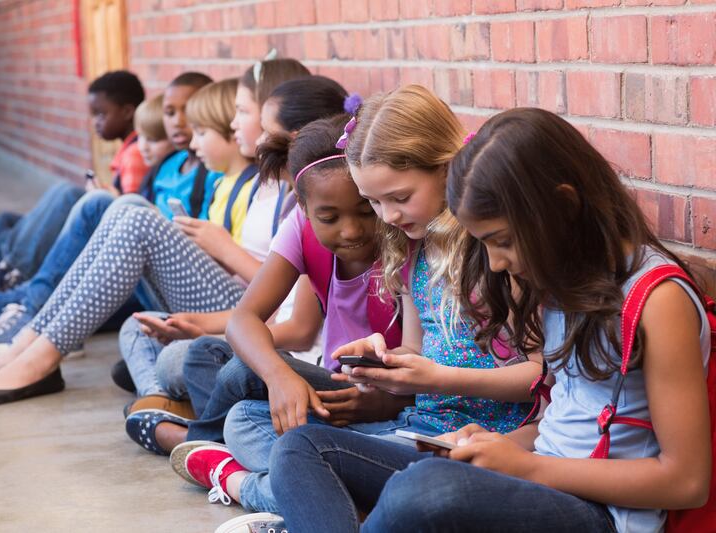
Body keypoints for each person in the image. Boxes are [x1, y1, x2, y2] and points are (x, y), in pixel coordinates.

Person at [268, 107, 712, 533]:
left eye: (501, 241)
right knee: (303, 448)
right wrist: (495, 448)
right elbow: (564, 420)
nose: (496, 264)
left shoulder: (657, 299)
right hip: (535, 473)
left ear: (564, 206)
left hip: (599, 514)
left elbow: (687, 482)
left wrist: (528, 465)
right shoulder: (566, 281)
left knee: (422, 491)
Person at [195, 87, 539, 532]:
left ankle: (259, 490)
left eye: (397, 198)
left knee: (300, 452)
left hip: (475, 439)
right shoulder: (416, 250)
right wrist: (387, 364)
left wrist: (438, 378)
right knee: (249, 420)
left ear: (446, 167)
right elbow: (417, 353)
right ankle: (332, 503)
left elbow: (541, 378)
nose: (387, 217)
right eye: (376, 202)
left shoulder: (493, 253)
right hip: (419, 425)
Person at [0, 78, 254, 403]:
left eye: (242, 114)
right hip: (208, 297)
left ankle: (35, 351)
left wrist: (223, 248)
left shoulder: (265, 188)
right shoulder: (222, 183)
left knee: (135, 219)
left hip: (241, 311)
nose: (190, 136)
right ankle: (29, 341)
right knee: (122, 205)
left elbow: (283, 287)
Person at [120, 76, 349, 447]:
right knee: (147, 337)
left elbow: (300, 329)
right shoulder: (299, 212)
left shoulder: (320, 216)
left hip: (304, 359)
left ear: (296, 138)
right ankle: (186, 414)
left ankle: (201, 433)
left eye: (261, 127)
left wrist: (224, 255)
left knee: (195, 362)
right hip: (276, 350)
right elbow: (250, 315)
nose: (256, 140)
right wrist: (204, 327)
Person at [0, 72, 214, 360]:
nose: (178, 121)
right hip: (137, 267)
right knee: (40, 278)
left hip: (164, 284)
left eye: (187, 113)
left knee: (81, 215)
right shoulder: (169, 165)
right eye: (170, 112)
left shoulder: (212, 174)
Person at [0, 70, 149, 294]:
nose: (95, 123)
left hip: (114, 239)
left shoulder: (135, 154)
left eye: (101, 114)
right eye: (93, 115)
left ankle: (11, 274)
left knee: (69, 194)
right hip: (108, 225)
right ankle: (0, 277)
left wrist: (104, 196)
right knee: (4, 221)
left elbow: (133, 209)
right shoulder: (127, 150)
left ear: (127, 111)